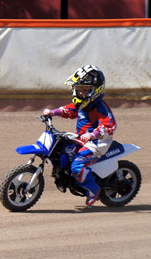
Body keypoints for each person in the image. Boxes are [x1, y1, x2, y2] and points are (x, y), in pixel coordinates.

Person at [43, 64, 116, 206]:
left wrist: (93, 134)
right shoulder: (82, 104)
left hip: (97, 143)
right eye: (78, 89)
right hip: (81, 139)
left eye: (85, 89)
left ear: (96, 90)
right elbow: (69, 110)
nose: (81, 93)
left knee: (76, 166)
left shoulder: (100, 107)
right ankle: (64, 179)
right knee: (62, 153)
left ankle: (93, 189)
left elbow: (109, 126)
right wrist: (53, 112)